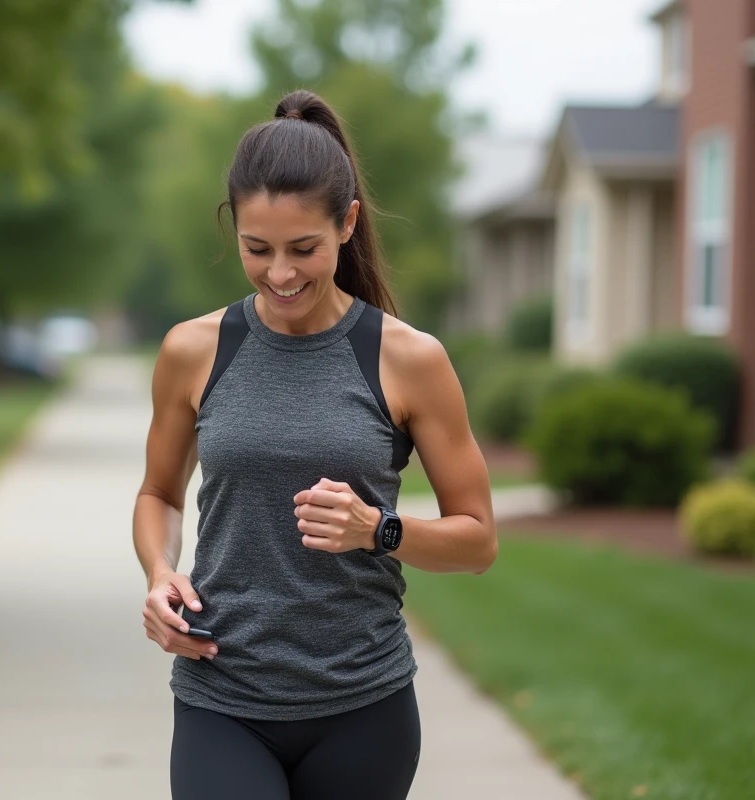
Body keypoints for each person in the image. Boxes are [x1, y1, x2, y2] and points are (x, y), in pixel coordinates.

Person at [131, 89, 497, 800]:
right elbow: (157, 494)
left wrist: (378, 529)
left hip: (363, 705)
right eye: (256, 249)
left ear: (348, 223)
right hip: (222, 694)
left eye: (305, 249)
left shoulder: (408, 359)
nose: (280, 273)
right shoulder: (192, 349)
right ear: (233, 227)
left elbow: (477, 540)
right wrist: (157, 572)